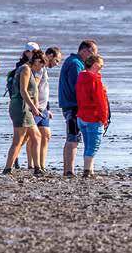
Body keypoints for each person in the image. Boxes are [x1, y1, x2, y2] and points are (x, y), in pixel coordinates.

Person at [59, 39, 98, 177]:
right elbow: (79, 88)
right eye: (93, 53)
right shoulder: (76, 64)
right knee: (73, 138)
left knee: (72, 137)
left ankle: (68, 170)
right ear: (84, 51)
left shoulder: (74, 61)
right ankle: (69, 171)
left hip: (71, 105)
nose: (94, 56)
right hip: (73, 106)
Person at [3, 50, 45, 175]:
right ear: (36, 61)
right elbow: (23, 91)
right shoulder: (26, 69)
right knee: (18, 140)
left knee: (36, 136)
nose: (41, 68)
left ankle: (37, 168)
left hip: (24, 107)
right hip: (21, 108)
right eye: (41, 64)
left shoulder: (27, 69)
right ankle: (7, 169)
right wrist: (34, 108)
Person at [75, 54, 109, 178]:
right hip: (93, 117)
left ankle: (90, 170)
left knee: (88, 145)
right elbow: (100, 101)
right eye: (101, 66)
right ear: (95, 65)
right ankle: (87, 171)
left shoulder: (81, 77)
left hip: (82, 116)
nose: (102, 68)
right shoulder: (94, 79)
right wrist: (104, 119)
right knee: (93, 146)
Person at [28, 47, 62, 171]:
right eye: (56, 60)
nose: (57, 64)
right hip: (36, 108)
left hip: (44, 108)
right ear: (50, 55)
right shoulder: (39, 68)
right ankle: (30, 164)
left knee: (46, 135)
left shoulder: (44, 70)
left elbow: (44, 91)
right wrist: (34, 106)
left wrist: (48, 108)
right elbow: (34, 87)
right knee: (28, 137)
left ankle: (42, 165)